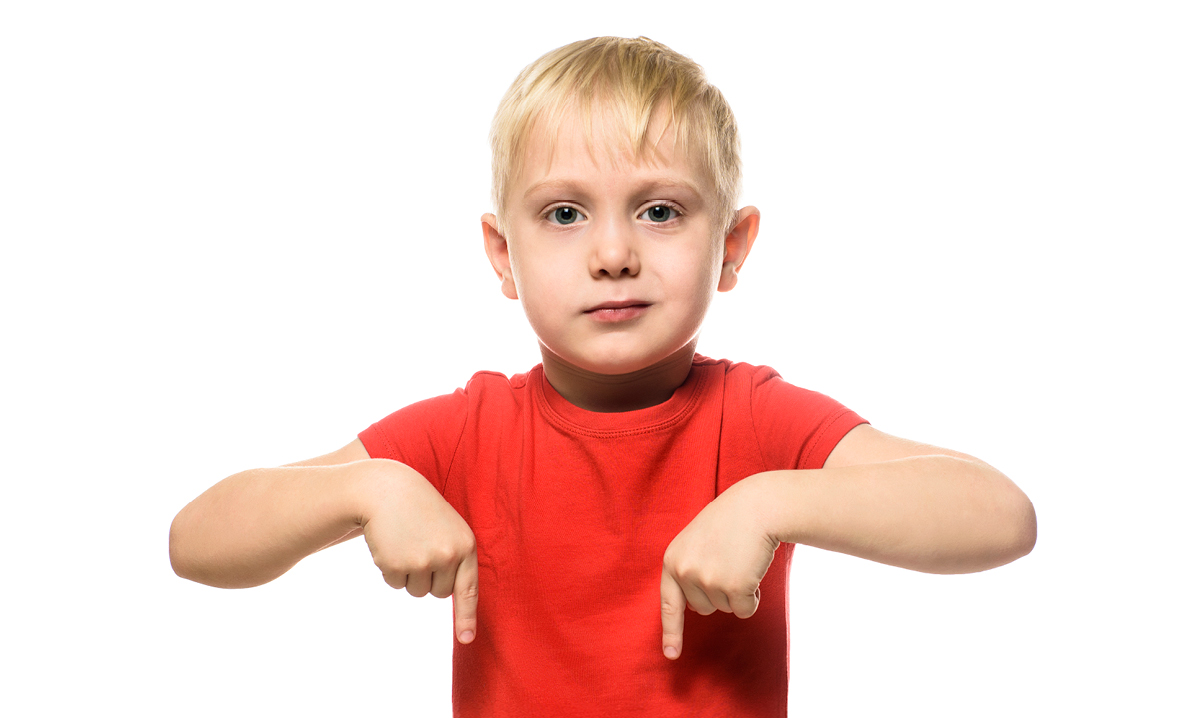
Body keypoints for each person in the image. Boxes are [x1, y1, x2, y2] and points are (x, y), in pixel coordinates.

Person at [170, 36, 1036, 717]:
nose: (614, 253)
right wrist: (367, 488)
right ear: (502, 255)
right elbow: (197, 541)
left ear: (732, 248)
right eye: (564, 213)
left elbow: (999, 515)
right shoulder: (466, 430)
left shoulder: (757, 419)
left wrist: (771, 502)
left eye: (660, 211)